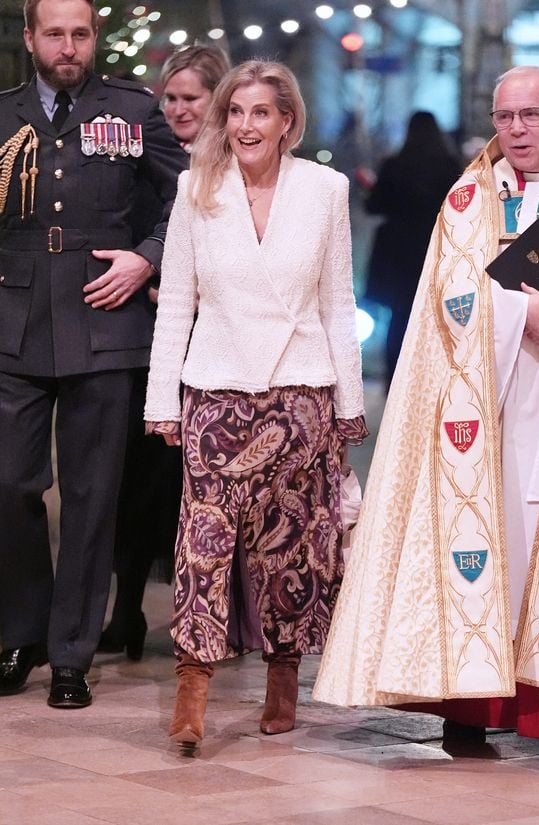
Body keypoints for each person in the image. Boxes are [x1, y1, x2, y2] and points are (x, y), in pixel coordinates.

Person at [313, 66, 539, 763]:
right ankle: (473, 706)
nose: (515, 130)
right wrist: (527, 310)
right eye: (504, 117)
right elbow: (446, 299)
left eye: (530, 115)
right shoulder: (467, 199)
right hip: (486, 409)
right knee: (488, 548)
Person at [144, 59, 367, 745]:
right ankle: (193, 686)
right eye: (236, 112)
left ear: (287, 122)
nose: (246, 125)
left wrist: (350, 402)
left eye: (261, 112)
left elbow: (336, 300)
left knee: (290, 549)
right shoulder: (195, 188)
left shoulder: (325, 190)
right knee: (201, 546)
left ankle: (281, 676)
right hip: (215, 391)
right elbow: (176, 299)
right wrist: (163, 399)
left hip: (301, 394)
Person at [0, 0, 187, 708]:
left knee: (90, 493)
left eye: (80, 33)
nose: (69, 46)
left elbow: (188, 194)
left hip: (105, 317)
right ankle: (23, 630)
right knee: (11, 484)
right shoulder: (4, 112)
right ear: (30, 38)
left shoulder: (134, 111)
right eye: (55, 33)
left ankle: (72, 651)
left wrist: (148, 258)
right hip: (13, 320)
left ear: (94, 37)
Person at [98, 43, 229, 661]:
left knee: (198, 484)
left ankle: (207, 619)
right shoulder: (141, 160)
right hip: (143, 338)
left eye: (190, 98)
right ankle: (125, 612)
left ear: (216, 101)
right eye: (169, 98)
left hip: (210, 342)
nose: (177, 109)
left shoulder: (234, 168)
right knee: (136, 478)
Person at [363, 111, 461, 388]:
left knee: (399, 320)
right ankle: (435, 382)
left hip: (397, 253)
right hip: (436, 248)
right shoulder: (450, 165)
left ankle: (395, 382)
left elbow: (374, 206)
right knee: (437, 319)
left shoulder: (394, 165)